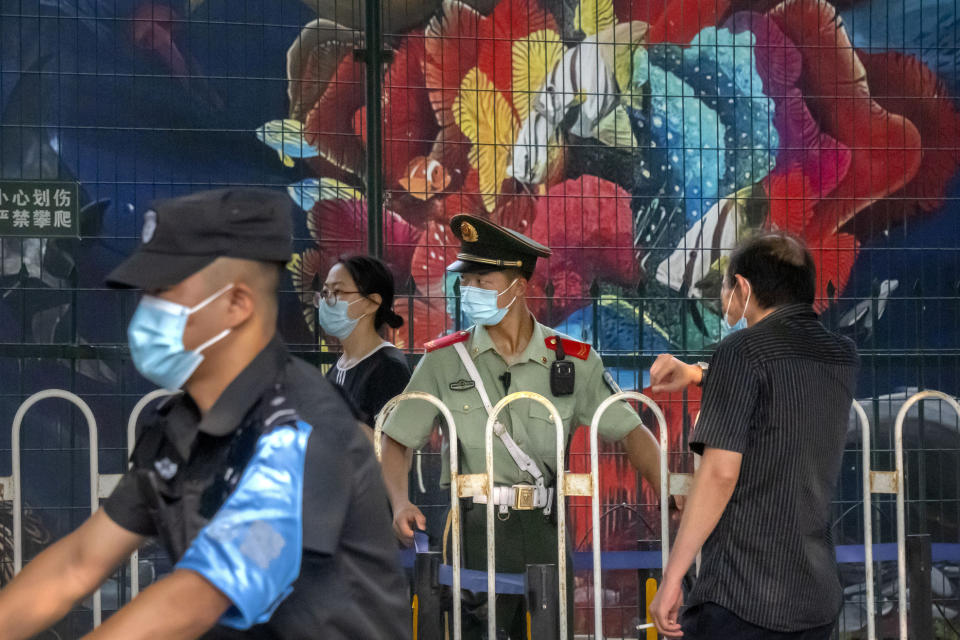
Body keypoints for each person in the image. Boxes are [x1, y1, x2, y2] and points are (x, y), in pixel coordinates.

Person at [0, 188, 410, 639]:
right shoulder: (181, 427)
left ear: (237, 304)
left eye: (165, 292)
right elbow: (77, 564)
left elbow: (197, 599)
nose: (146, 310)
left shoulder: (298, 432)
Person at [380, 214, 663, 639]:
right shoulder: (444, 361)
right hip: (473, 528)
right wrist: (400, 502)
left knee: (551, 630)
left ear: (519, 285)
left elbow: (629, 429)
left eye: (482, 280)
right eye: (466, 280)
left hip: (546, 528)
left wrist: (668, 492)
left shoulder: (574, 360)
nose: (469, 290)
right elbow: (397, 438)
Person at [649, 232, 859, 639]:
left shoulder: (740, 352)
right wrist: (699, 375)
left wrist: (673, 576)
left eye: (726, 284)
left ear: (743, 287)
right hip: (816, 597)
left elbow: (719, 474)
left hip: (743, 597)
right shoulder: (841, 356)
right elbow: (784, 386)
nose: (723, 294)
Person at [317, 255, 410, 433]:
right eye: (324, 292)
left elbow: (393, 452)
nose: (326, 301)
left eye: (337, 292)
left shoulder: (389, 368)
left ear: (372, 302)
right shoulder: (338, 368)